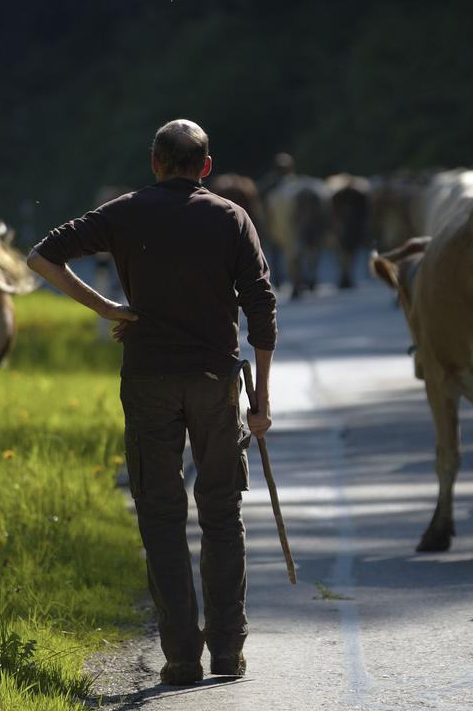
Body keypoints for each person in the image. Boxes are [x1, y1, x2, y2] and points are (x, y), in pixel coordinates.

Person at [26, 119, 276, 686]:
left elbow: (41, 258)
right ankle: (229, 654)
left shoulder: (124, 210)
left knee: (162, 517)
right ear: (206, 167)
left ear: (156, 163)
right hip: (216, 381)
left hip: (148, 381)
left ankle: (183, 659)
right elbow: (261, 305)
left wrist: (107, 309)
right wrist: (260, 398)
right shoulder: (231, 217)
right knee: (222, 513)